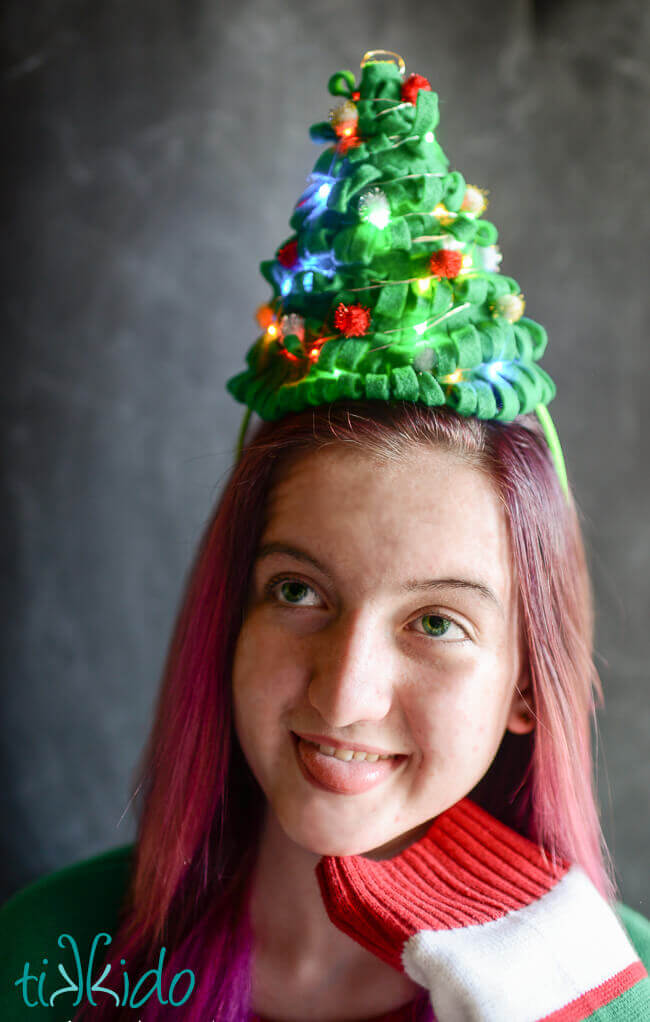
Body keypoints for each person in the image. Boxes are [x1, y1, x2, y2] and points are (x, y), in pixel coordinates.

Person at [1, 51, 648, 1022]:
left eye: (435, 621)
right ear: (232, 611)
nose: (343, 692)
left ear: (524, 680)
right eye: (298, 591)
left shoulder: (618, 993)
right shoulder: (49, 955)